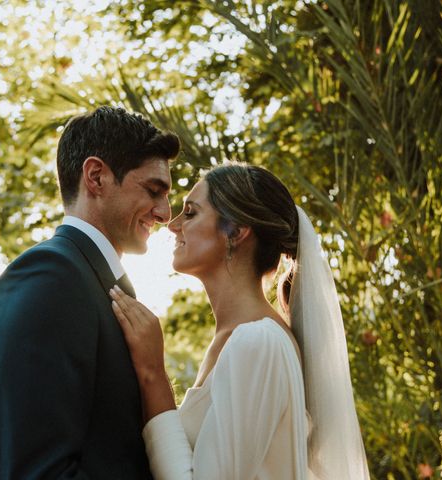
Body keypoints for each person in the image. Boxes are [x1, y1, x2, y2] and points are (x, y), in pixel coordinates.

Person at [109, 163, 370, 479]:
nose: (173, 225)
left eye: (190, 213)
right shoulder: (238, 340)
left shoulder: (258, 343)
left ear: (236, 231)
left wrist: (153, 375)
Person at [0, 106, 180, 479]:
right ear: (96, 177)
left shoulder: (94, 281)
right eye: (153, 190)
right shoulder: (47, 279)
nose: (166, 212)